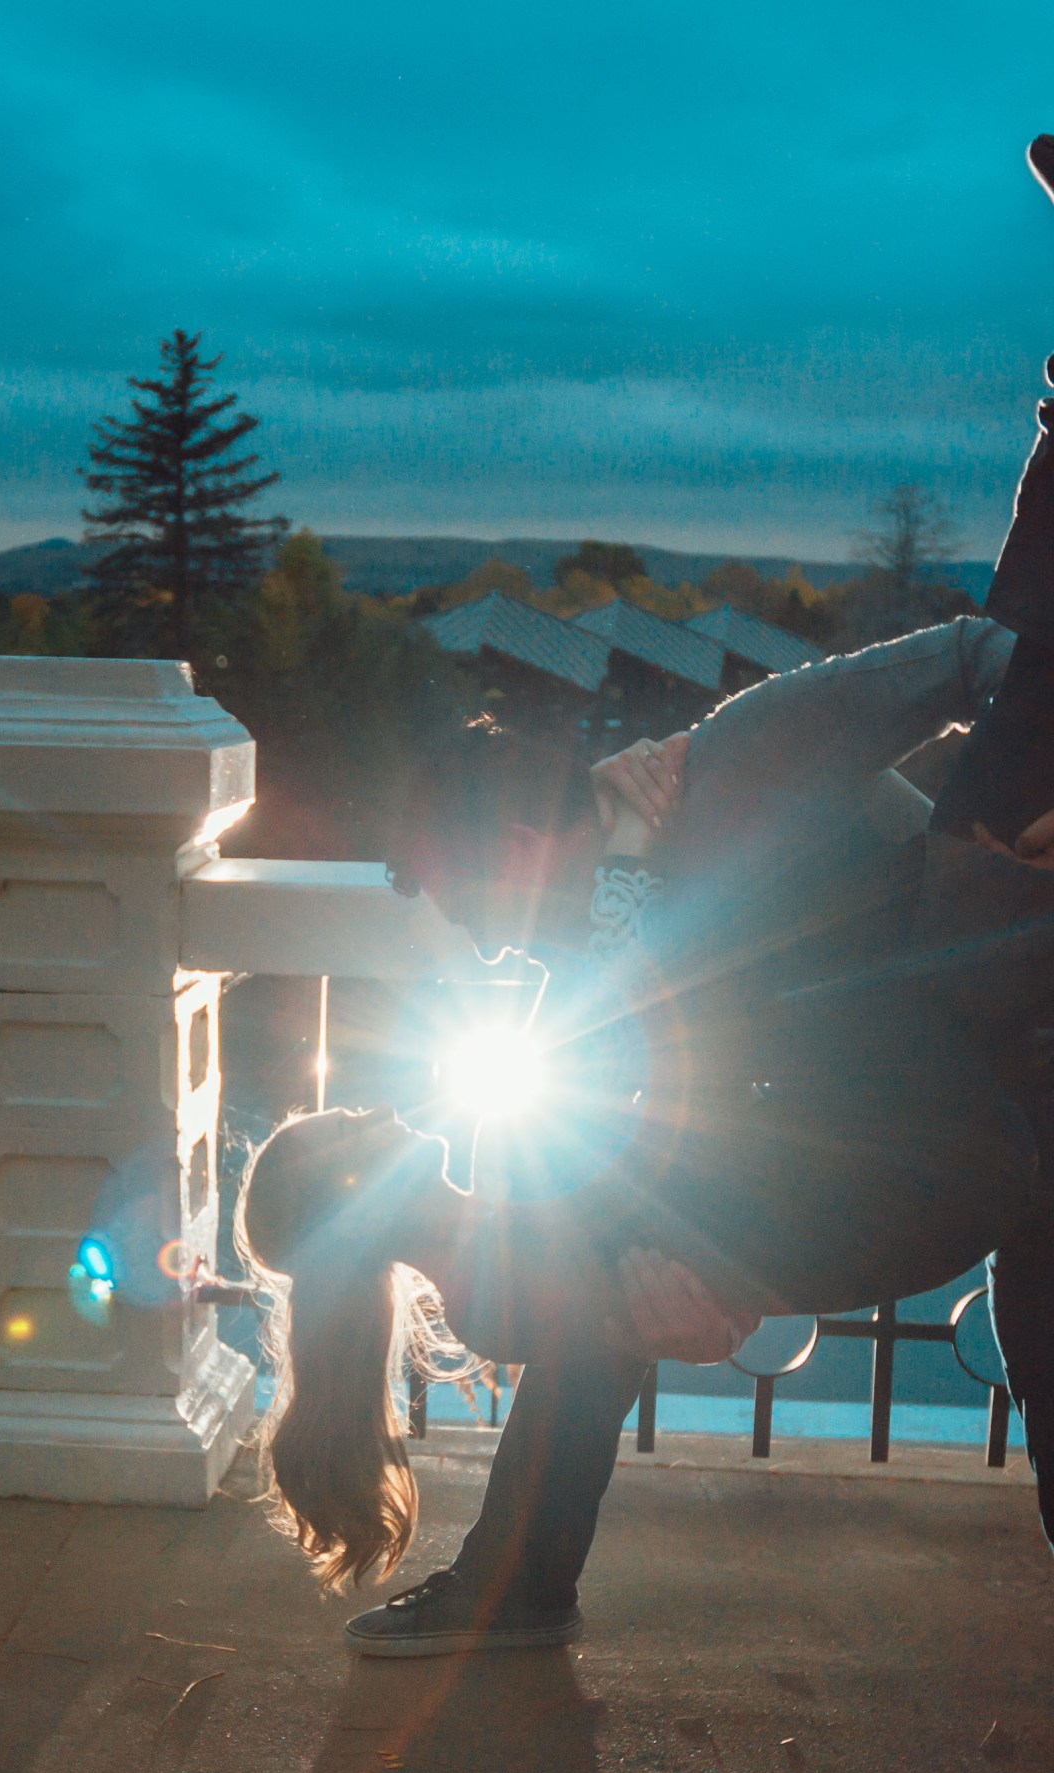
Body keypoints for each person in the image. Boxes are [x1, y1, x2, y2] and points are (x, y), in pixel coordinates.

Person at [238, 430, 1054, 1656]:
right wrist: (686, 1283)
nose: (493, 952)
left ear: (521, 848)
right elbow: (682, 1123)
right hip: (977, 1126)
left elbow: (981, 657)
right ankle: (515, 1586)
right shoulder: (615, 976)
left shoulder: (729, 769)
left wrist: (1005, 803)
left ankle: (516, 1587)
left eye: (478, 915)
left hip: (1001, 1079)